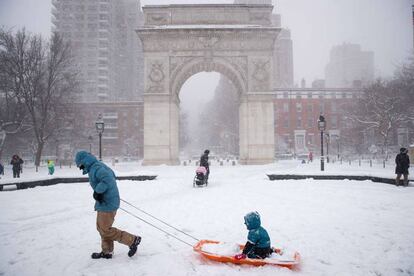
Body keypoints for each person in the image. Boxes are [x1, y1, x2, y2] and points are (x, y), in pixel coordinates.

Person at [75, 151, 141, 259]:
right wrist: (99, 193)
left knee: (105, 229)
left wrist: (98, 191)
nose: (80, 168)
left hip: (108, 203)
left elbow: (108, 179)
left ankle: (132, 240)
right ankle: (107, 251)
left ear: (85, 161)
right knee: (102, 228)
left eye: (80, 165)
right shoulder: (95, 167)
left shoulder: (96, 167)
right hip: (105, 201)